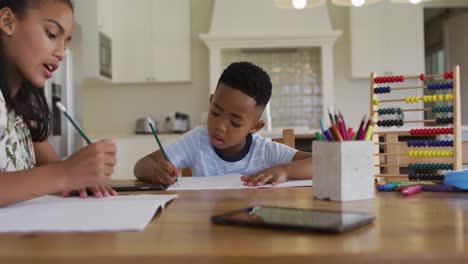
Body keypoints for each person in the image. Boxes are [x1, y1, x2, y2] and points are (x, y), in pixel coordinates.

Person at [0, 0, 117, 207]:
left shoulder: (20, 116)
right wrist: (65, 174)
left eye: (66, 43)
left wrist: (81, 176)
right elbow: (60, 173)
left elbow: (60, 172)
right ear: (8, 21)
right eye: (52, 34)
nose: (61, 53)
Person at [134, 61, 312, 186]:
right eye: (215, 112)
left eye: (235, 123)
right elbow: (142, 165)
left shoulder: (265, 151)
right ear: (211, 101)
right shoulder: (197, 140)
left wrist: (285, 170)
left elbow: (324, 163)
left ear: (254, 127)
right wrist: (156, 172)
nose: (220, 126)